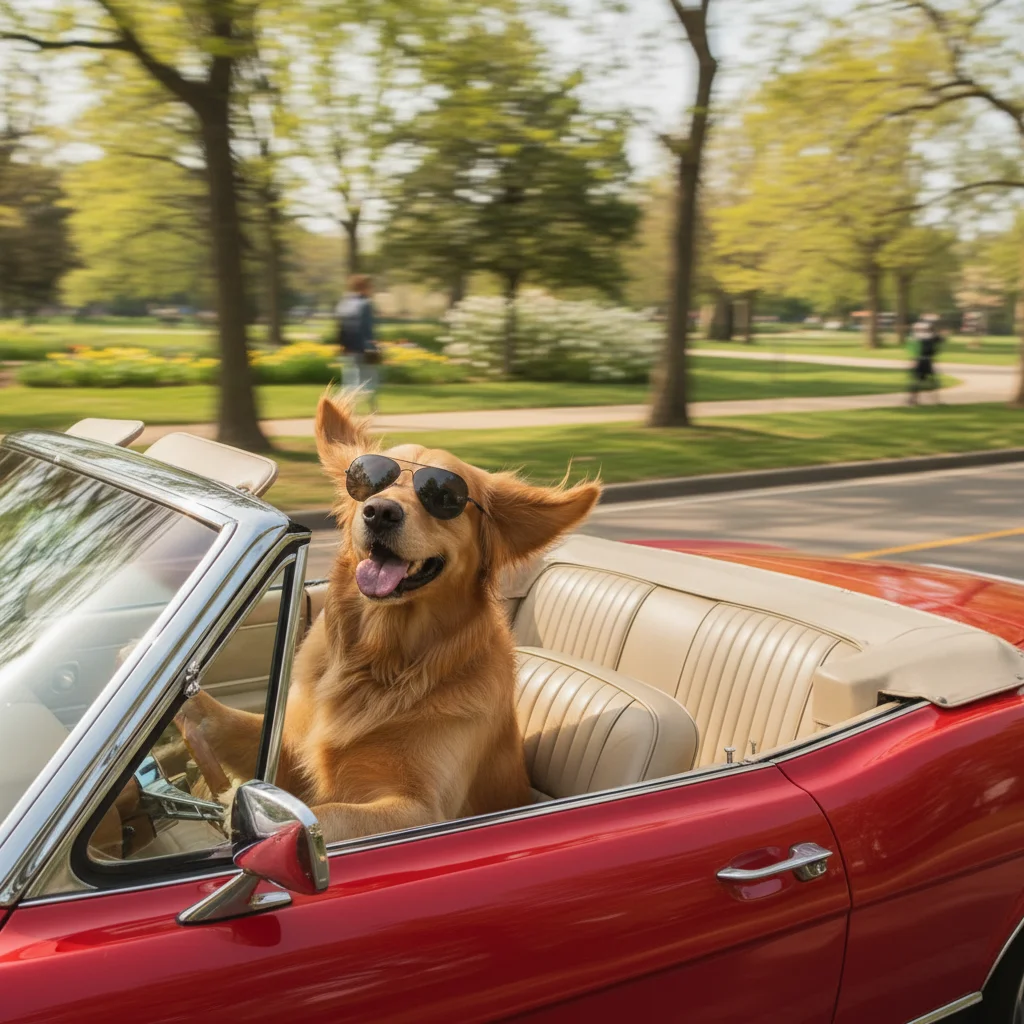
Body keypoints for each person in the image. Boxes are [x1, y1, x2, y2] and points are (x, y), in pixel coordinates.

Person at [335, 274, 380, 413]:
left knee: (349, 381)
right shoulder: (365, 304)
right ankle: (373, 410)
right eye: (370, 286)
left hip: (347, 348)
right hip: (363, 348)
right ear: (364, 287)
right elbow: (366, 328)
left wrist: (342, 345)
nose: (372, 289)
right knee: (369, 380)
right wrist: (372, 347)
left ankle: (346, 411)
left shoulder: (344, 303)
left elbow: (340, 327)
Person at [907, 314, 943, 406]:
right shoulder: (926, 337)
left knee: (920, 381)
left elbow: (938, 339)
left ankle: (913, 400)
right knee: (928, 381)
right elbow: (939, 339)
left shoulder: (916, 336)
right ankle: (934, 400)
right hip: (924, 361)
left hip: (921, 360)